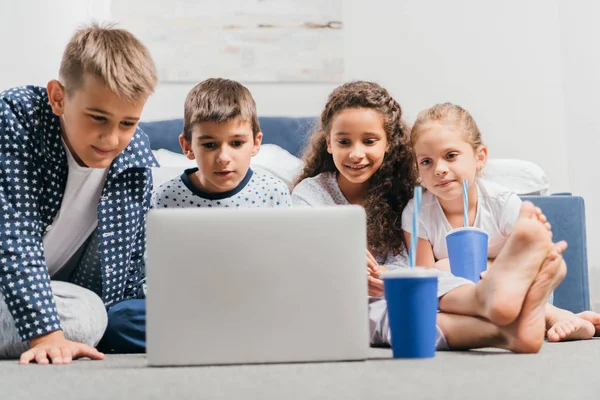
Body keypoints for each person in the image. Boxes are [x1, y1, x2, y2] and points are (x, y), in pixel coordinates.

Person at [292, 81, 568, 353]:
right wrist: (344, 261)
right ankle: (506, 331)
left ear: (389, 143)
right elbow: (303, 252)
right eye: (343, 141)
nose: (356, 153)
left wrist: (389, 277)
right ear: (328, 143)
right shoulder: (311, 193)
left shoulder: (403, 195)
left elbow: (411, 264)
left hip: (400, 288)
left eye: (370, 141)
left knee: (425, 283)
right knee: (396, 312)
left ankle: (490, 302)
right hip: (341, 297)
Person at [0, 23, 159, 364]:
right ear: (58, 97)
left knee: (93, 314)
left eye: (128, 123)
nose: (112, 139)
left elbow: (127, 271)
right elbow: (14, 236)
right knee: (82, 321)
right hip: (9, 276)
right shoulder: (17, 118)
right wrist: (47, 336)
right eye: (98, 118)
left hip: (61, 294)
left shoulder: (135, 158)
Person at [100, 78, 291, 354]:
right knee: (119, 319)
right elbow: (148, 274)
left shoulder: (273, 192)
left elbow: (286, 268)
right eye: (210, 145)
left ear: (255, 143)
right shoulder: (165, 198)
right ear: (188, 146)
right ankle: (232, 338)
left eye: (236, 143)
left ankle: (209, 338)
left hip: (252, 303)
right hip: (188, 307)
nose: (224, 157)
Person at [403, 102, 600, 342]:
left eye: (451, 156)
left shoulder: (502, 204)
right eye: (426, 162)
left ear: (480, 157)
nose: (439, 169)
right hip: (457, 301)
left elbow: (531, 266)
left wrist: (487, 271)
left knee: (448, 266)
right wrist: (486, 268)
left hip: (522, 292)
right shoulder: (417, 212)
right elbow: (425, 278)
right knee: (439, 271)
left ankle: (551, 314)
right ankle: (555, 318)